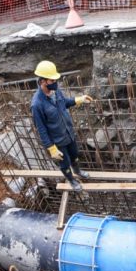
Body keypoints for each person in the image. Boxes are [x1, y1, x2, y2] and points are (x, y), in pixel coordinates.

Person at [30, 60, 93, 190]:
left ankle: (78, 172)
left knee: (75, 155)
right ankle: (71, 180)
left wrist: (79, 99)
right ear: (43, 81)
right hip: (57, 141)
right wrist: (51, 149)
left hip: (69, 133)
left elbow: (64, 103)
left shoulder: (56, 92)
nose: (55, 83)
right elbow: (41, 129)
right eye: (52, 81)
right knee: (64, 163)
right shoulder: (37, 104)